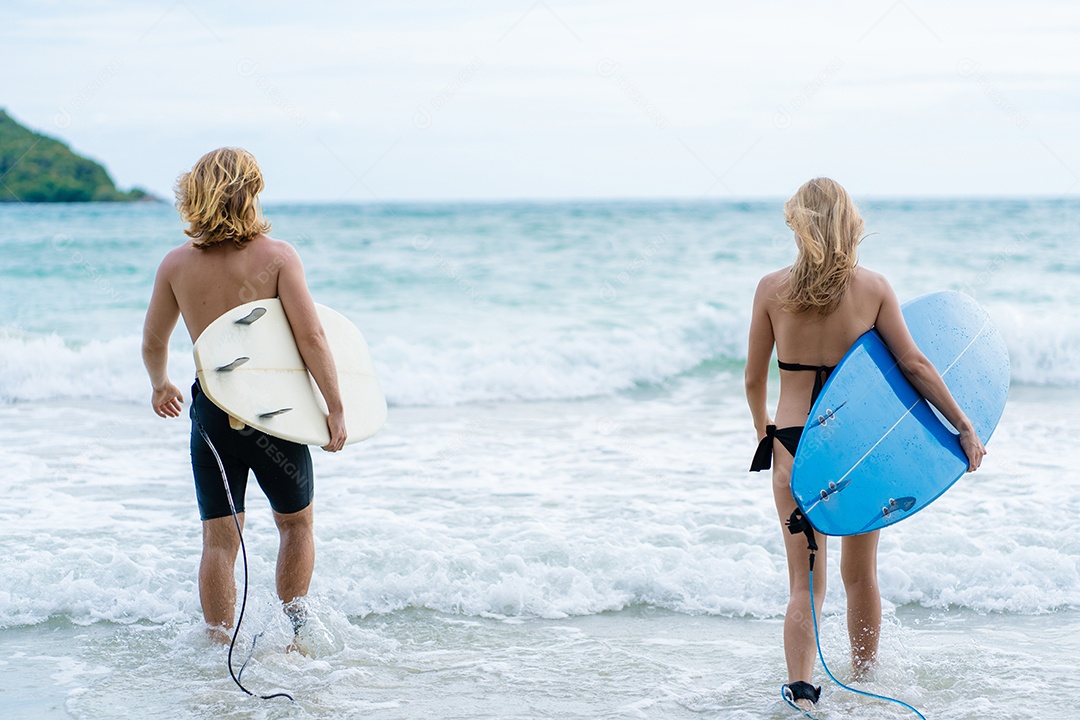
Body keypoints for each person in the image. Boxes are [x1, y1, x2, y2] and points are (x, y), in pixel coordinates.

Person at [744, 178, 986, 709]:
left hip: (793, 446)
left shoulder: (770, 289)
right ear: (849, 223)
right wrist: (963, 425)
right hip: (856, 449)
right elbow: (915, 365)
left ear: (799, 225)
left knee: (804, 583)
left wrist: (765, 434)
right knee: (860, 576)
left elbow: (752, 380)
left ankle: (803, 693)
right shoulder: (873, 288)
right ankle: (867, 682)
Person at [141, 147, 347, 647]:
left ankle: (217, 646)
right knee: (295, 525)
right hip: (274, 412)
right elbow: (311, 337)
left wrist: (160, 385)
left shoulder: (176, 265)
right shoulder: (277, 257)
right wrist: (336, 406)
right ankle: (297, 632)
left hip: (212, 412)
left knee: (219, 537)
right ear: (250, 192)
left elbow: (153, 342)